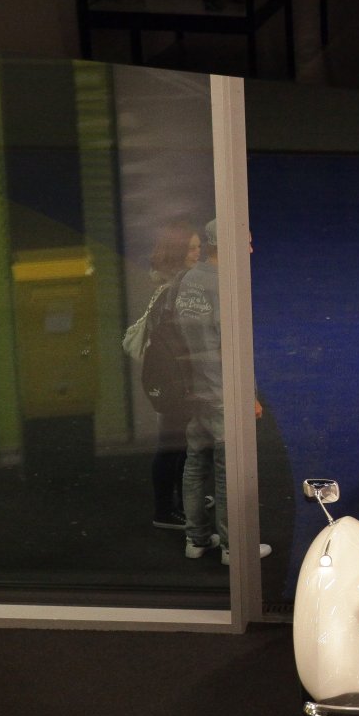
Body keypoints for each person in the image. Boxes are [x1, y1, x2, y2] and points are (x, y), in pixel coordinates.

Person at [175, 218, 270, 564]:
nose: (251, 249)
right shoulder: (226, 286)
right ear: (226, 245)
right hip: (223, 392)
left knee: (195, 464)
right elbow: (234, 349)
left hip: (196, 389)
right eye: (246, 242)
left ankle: (197, 539)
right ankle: (234, 547)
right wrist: (250, 396)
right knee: (228, 470)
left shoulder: (189, 280)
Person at [127, 219, 198, 530]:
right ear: (178, 252)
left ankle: (178, 503)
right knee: (172, 446)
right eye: (191, 248)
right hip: (174, 380)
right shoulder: (174, 289)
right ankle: (165, 511)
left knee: (178, 444)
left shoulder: (168, 285)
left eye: (198, 247)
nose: (197, 253)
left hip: (171, 378)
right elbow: (177, 338)